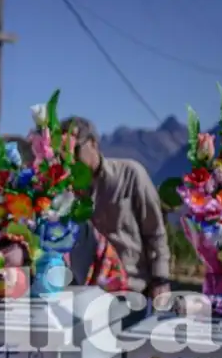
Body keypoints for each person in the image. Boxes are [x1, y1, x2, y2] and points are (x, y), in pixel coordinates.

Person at [60, 116, 171, 299]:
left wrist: (161, 279)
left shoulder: (130, 175)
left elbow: (155, 232)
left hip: (131, 289)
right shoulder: (65, 189)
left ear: (93, 143)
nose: (71, 159)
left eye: (76, 149)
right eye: (65, 152)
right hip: (85, 293)